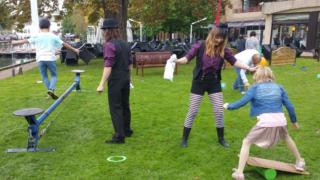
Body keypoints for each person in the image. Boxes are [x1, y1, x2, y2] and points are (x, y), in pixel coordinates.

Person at [175, 24, 256, 148]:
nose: (219, 40)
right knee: (192, 111)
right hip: (199, 82)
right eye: (217, 37)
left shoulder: (224, 50)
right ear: (212, 35)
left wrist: (248, 67)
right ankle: (184, 139)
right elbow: (187, 58)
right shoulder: (200, 45)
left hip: (214, 82)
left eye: (222, 38)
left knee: (219, 111)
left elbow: (235, 61)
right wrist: (176, 61)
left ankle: (221, 139)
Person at [223, 66, 305, 179]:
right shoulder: (279, 87)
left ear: (257, 76)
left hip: (266, 121)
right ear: (270, 76)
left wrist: (229, 106)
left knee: (246, 142)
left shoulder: (254, 88)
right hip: (281, 120)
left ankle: (239, 173)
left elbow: (242, 102)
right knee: (286, 137)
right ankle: (300, 161)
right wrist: (294, 121)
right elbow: (290, 106)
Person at [11, 18, 79, 99]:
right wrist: (75, 49)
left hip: (40, 59)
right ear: (49, 26)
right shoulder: (53, 36)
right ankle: (51, 90)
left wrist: (14, 42)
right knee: (54, 75)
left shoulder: (37, 36)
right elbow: (65, 44)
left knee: (44, 77)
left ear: (39, 27)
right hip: (50, 58)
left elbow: (25, 41)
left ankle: (50, 92)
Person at [96, 18, 133, 144]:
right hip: (125, 77)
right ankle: (127, 130)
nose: (103, 32)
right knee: (125, 105)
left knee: (116, 107)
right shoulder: (125, 44)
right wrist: (130, 78)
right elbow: (130, 63)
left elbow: (108, 65)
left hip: (116, 79)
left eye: (104, 30)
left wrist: (101, 83)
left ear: (108, 31)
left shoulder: (109, 45)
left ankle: (119, 136)